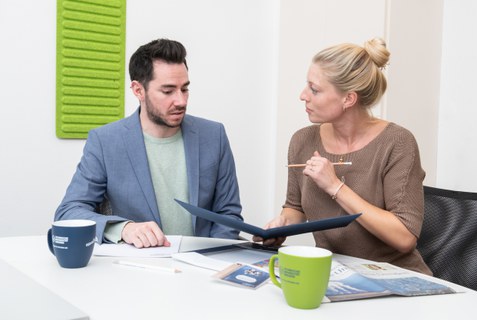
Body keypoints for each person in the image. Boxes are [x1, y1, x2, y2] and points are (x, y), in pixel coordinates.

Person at [253, 38, 431, 275]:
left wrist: (335, 186)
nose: (302, 95)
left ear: (348, 98)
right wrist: (280, 226)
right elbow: (295, 208)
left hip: (395, 278)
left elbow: (405, 236)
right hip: (336, 276)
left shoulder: (397, 142)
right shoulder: (302, 141)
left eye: (314, 89)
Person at [55, 38, 243, 248]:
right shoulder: (105, 141)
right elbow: (69, 211)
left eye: (185, 89)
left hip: (203, 267)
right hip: (138, 271)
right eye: (168, 91)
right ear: (138, 90)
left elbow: (228, 214)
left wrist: (210, 257)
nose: (181, 101)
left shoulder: (214, 136)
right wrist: (124, 228)